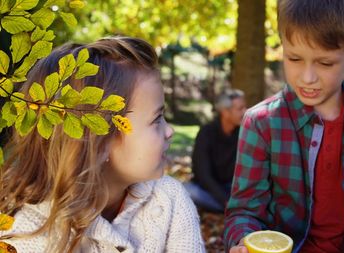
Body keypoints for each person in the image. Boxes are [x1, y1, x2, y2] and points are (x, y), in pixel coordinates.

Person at [224, 1, 344, 252]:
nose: (307, 77)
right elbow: (244, 210)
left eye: (325, 63)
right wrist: (243, 241)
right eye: (295, 58)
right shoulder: (260, 124)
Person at [0, 37, 205, 252]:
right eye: (156, 119)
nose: (170, 130)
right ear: (98, 143)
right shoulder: (28, 236)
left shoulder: (169, 199)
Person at [185, 89, 246, 213]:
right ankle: (232, 208)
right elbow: (203, 175)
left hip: (232, 189)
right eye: (240, 109)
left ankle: (235, 208)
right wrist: (224, 201)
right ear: (225, 112)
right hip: (209, 189)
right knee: (187, 191)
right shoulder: (206, 133)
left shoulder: (244, 133)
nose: (245, 112)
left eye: (245, 107)